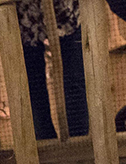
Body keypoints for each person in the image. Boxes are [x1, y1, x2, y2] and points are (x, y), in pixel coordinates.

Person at [15, 0, 88, 139]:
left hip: (63, 9)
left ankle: (79, 143)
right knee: (32, 84)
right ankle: (45, 146)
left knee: (74, 79)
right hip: (25, 10)